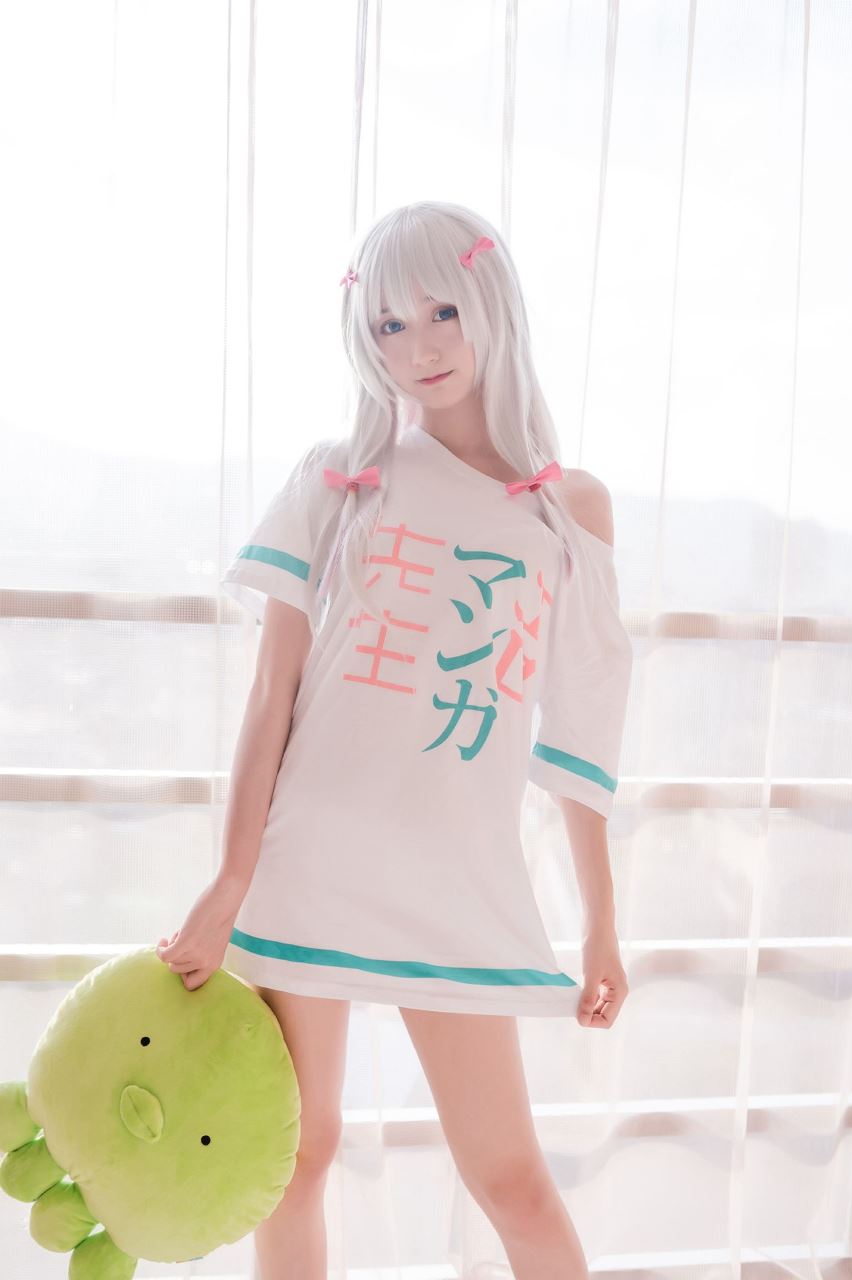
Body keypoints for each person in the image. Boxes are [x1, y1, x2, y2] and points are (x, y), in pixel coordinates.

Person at [155, 200, 634, 1280]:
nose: (418, 346)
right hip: (311, 863)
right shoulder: (341, 475)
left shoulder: (568, 511)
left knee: (510, 1178)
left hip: (455, 879)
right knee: (296, 1156)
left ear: (492, 305)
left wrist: (602, 923)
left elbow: (581, 730)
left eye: (441, 311)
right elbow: (272, 693)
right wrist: (230, 881)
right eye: (388, 324)